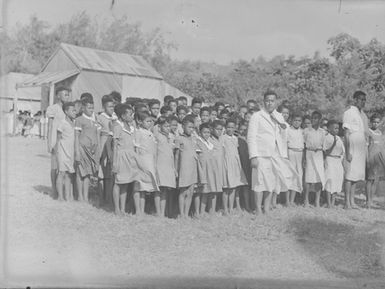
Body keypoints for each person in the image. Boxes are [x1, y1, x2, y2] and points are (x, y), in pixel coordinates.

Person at [247, 90, 300, 214]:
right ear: (264, 102)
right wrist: (253, 156)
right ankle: (258, 209)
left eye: (272, 101)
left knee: (271, 182)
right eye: (267, 101)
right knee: (259, 182)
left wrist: (282, 125)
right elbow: (251, 137)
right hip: (261, 154)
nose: (270, 103)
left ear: (276, 102)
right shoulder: (257, 116)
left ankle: (266, 207)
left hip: (275, 154)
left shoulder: (279, 116)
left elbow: (283, 136)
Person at [111, 103, 140, 215]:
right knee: (118, 183)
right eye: (129, 114)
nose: (132, 116)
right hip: (121, 157)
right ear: (123, 116)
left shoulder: (132, 128)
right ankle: (117, 208)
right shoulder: (118, 127)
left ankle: (123, 209)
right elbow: (115, 145)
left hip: (130, 157)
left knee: (126, 183)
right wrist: (114, 162)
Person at [343, 90, 369, 209]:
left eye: (364, 100)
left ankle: (352, 201)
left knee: (355, 176)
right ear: (355, 100)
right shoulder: (349, 112)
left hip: (360, 149)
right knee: (349, 175)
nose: (363, 102)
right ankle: (346, 202)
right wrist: (348, 152)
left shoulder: (361, 114)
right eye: (361, 99)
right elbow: (347, 134)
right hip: (352, 148)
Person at [74, 95, 100, 203]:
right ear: (83, 108)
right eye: (89, 108)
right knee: (80, 173)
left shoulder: (94, 121)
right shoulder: (79, 120)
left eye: (92, 108)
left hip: (91, 151)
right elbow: (76, 137)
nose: (91, 110)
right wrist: (77, 152)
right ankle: (80, 196)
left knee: (88, 174)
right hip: (81, 149)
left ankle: (85, 196)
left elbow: (96, 136)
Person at [47, 86, 71, 198]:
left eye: (68, 94)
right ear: (58, 95)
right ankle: (54, 189)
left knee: (64, 167)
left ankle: (64, 190)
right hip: (55, 140)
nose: (67, 96)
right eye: (65, 94)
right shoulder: (53, 109)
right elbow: (50, 126)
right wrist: (49, 143)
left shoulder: (69, 108)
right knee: (54, 166)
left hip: (66, 141)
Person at [175, 115, 200, 218]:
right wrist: (176, 169)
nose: (191, 129)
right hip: (183, 168)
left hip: (193, 167)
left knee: (190, 191)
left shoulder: (194, 139)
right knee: (183, 191)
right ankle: (181, 214)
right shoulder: (179, 138)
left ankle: (186, 213)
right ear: (183, 126)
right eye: (189, 127)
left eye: (192, 127)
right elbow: (176, 156)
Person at [134, 111, 159, 215]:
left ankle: (142, 210)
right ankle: (137, 210)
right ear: (140, 121)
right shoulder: (138, 132)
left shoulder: (150, 133)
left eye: (151, 121)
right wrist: (137, 162)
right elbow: (136, 147)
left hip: (150, 161)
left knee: (144, 188)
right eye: (147, 121)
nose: (150, 123)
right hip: (141, 161)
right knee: (138, 186)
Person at [222, 118, 247, 214]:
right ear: (225, 128)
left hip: (235, 164)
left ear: (235, 128)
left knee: (233, 187)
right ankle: (225, 209)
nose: (230, 129)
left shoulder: (235, 138)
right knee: (226, 188)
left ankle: (231, 208)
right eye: (228, 127)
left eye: (232, 127)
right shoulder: (223, 138)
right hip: (227, 163)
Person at [196, 123, 220, 214]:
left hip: (213, 169)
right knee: (204, 191)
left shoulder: (210, 143)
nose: (206, 134)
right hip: (204, 169)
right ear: (200, 132)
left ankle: (211, 210)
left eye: (208, 132)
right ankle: (201, 211)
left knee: (213, 190)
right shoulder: (198, 142)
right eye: (204, 132)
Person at [303, 111, 326, 208]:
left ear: (320, 120)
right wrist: (304, 158)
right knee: (308, 177)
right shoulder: (306, 130)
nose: (313, 120)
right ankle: (306, 200)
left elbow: (325, 146)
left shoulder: (323, 132)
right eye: (312, 118)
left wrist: (324, 159)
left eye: (316, 118)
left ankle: (317, 200)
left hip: (319, 154)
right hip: (309, 153)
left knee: (318, 177)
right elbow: (304, 145)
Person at [155, 116, 176, 217]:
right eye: (165, 126)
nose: (168, 128)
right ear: (160, 127)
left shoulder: (172, 137)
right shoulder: (157, 136)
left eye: (169, 126)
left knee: (165, 190)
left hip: (168, 165)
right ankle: (158, 212)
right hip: (159, 165)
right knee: (158, 189)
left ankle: (163, 212)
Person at [55, 102, 76, 201]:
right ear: (66, 111)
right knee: (61, 173)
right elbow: (58, 138)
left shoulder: (74, 123)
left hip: (70, 152)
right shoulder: (62, 123)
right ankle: (60, 196)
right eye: (72, 110)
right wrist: (57, 151)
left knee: (69, 174)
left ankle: (67, 196)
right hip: (62, 151)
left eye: (75, 110)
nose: (75, 112)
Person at [97, 95, 115, 206]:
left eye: (113, 106)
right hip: (103, 143)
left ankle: (108, 198)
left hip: (112, 145)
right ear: (104, 107)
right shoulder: (100, 118)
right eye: (109, 107)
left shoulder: (115, 117)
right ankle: (101, 198)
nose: (111, 109)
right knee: (101, 174)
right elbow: (98, 134)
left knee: (109, 175)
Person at [323, 120, 345, 208]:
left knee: (337, 180)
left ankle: (333, 202)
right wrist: (333, 144)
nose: (336, 130)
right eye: (334, 128)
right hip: (330, 159)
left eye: (337, 128)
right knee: (329, 180)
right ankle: (328, 203)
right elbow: (326, 152)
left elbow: (342, 151)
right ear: (329, 129)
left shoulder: (339, 138)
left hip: (337, 161)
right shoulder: (327, 138)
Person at [365, 113, 385, 208]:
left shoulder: (380, 133)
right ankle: (367, 201)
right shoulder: (368, 132)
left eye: (377, 122)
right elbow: (366, 147)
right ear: (371, 122)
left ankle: (371, 199)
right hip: (371, 158)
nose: (375, 124)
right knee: (369, 180)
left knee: (375, 180)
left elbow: (381, 147)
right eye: (374, 122)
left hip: (378, 159)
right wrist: (367, 159)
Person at [286, 113, 304, 206]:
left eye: (299, 121)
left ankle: (292, 200)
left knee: (297, 176)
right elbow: (285, 143)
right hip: (290, 153)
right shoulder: (288, 130)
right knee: (289, 176)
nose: (297, 122)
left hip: (299, 154)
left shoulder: (302, 131)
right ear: (292, 121)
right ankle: (287, 201)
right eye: (295, 120)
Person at [237, 120, 251, 212]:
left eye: (245, 129)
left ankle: (247, 205)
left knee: (246, 186)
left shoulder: (250, 140)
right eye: (241, 129)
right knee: (238, 187)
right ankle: (238, 206)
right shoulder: (236, 140)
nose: (243, 131)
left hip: (247, 164)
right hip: (239, 164)